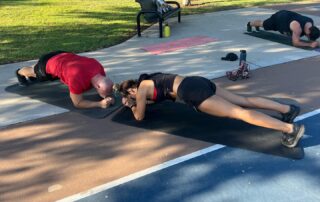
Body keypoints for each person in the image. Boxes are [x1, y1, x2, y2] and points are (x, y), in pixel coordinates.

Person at [119, 72, 304, 148]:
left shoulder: (141, 90)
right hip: (196, 81)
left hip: (190, 90)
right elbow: (161, 96)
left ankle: (289, 129)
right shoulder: (154, 79)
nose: (134, 97)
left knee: (238, 112)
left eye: (131, 95)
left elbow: (139, 117)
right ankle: (287, 109)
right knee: (243, 101)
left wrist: (132, 104)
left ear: (131, 90)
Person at [16, 51, 114, 109]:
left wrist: (107, 94)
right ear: (97, 86)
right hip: (48, 62)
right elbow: (78, 103)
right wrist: (99, 104)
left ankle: (36, 68)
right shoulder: (77, 78)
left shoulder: (98, 68)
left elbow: (104, 85)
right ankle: (19, 72)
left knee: (52, 72)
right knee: (34, 73)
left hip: (63, 55)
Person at [247, 10, 320, 48]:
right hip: (280, 18)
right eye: (309, 37)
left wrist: (314, 42)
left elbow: (311, 38)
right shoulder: (297, 27)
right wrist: (309, 45)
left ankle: (256, 24)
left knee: (292, 33)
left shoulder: (310, 23)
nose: (309, 38)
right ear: (307, 33)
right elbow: (295, 43)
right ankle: (250, 23)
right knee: (264, 24)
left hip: (288, 17)